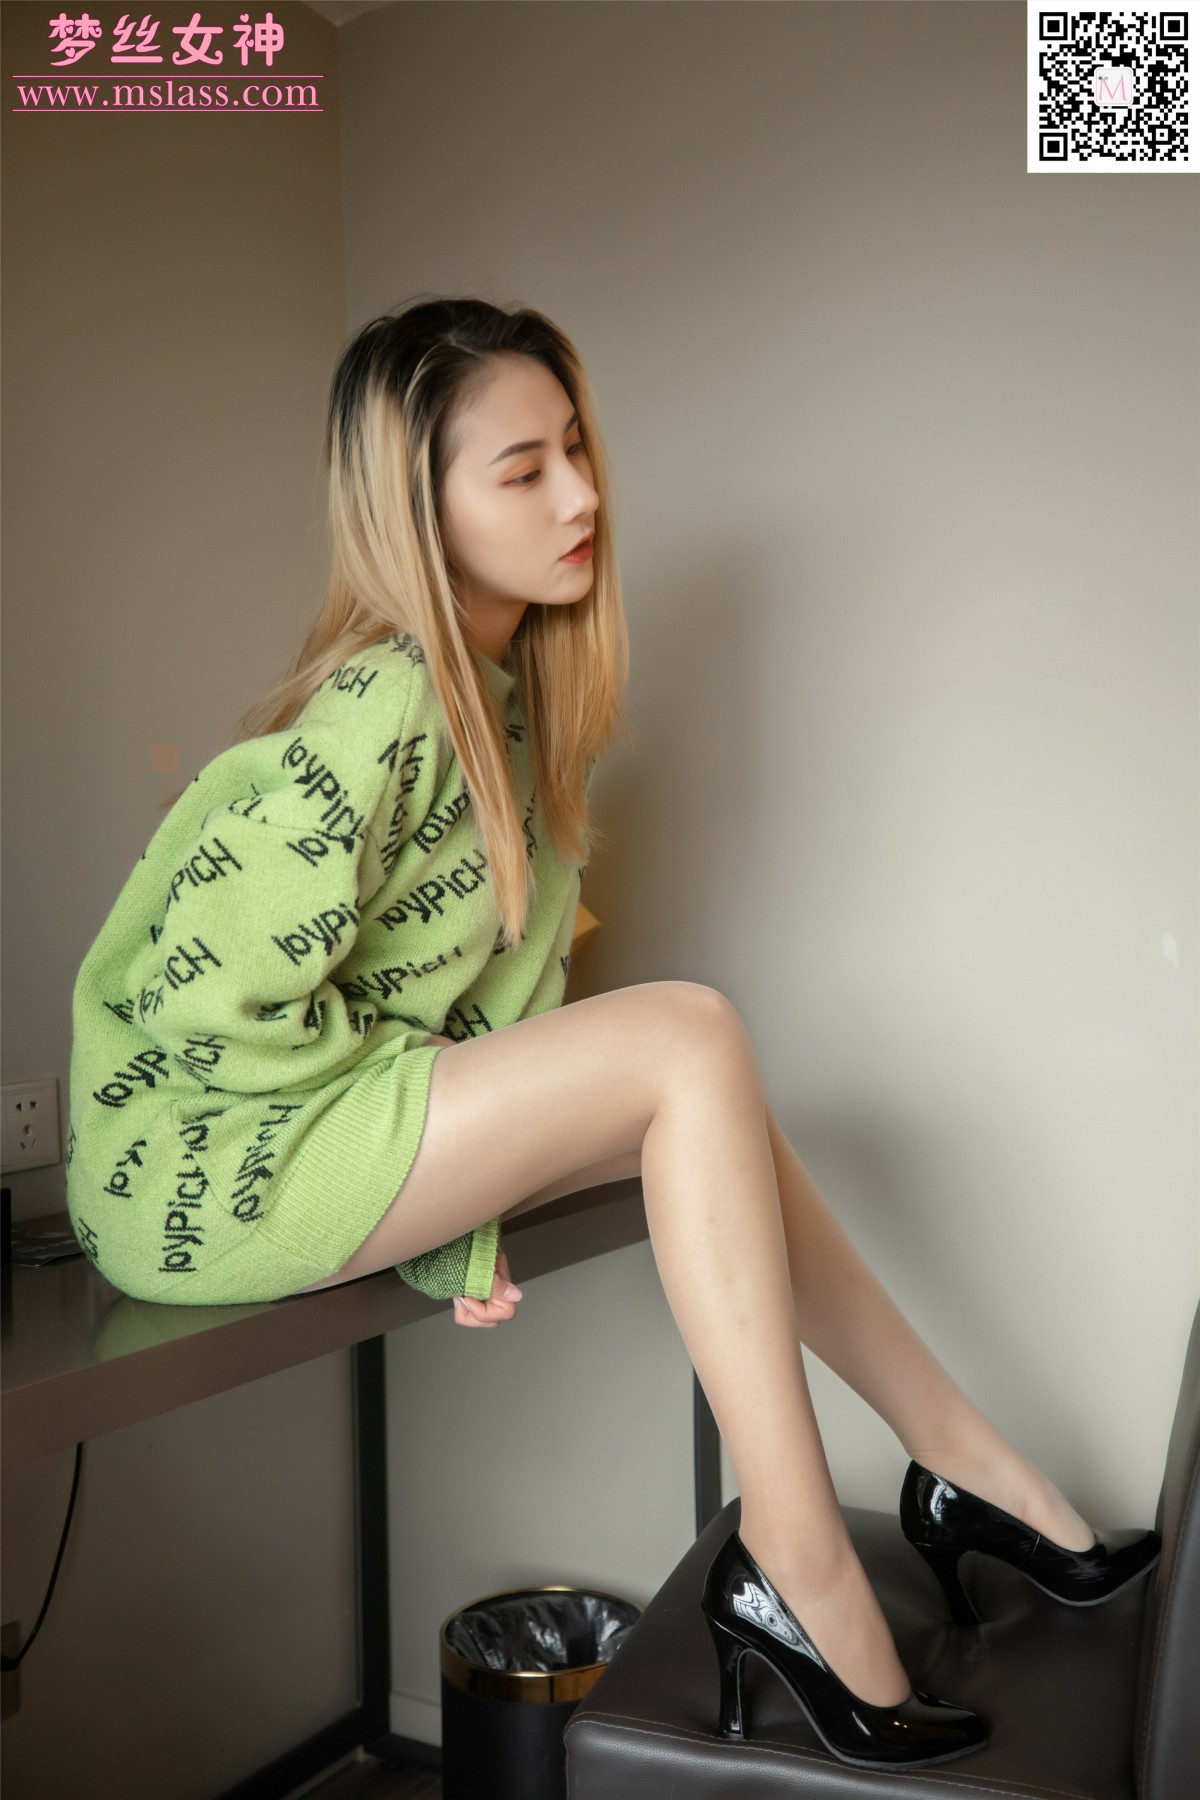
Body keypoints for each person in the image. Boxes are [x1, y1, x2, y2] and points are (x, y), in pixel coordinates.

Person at [67, 296, 1160, 1771]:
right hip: (200, 1158)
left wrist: (443, 1206)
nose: (581, 496)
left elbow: (461, 1025)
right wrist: (432, 1212)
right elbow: (201, 1016)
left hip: (317, 1124)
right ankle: (801, 1561)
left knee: (717, 1098)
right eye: (523, 470)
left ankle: (965, 1471)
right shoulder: (380, 707)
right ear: (421, 514)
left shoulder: (508, 713)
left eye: (574, 450)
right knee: (688, 1035)